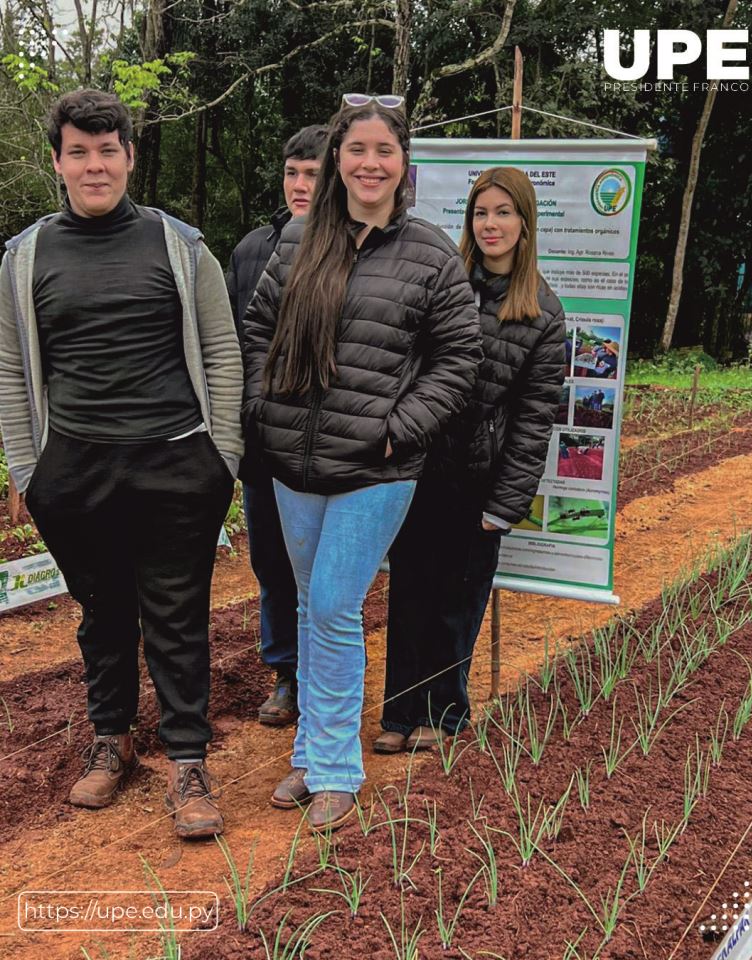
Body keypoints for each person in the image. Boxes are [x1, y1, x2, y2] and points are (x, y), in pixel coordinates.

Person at [0, 90, 243, 839]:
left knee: (177, 618)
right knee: (102, 615)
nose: (95, 165)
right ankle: (113, 743)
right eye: (80, 151)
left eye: (109, 150)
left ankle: (187, 764)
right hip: (73, 472)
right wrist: (25, 471)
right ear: (58, 161)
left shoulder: (181, 246)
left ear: (130, 157)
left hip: (176, 465)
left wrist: (221, 457)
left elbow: (222, 350)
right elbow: (11, 367)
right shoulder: (24, 257)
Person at [240, 94, 482, 832]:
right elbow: (258, 327)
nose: (369, 163)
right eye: (357, 150)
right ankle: (311, 754)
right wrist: (265, 408)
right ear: (339, 159)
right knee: (312, 605)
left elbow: (458, 357)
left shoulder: (430, 253)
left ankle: (339, 770)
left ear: (404, 164)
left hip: (377, 471)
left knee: (335, 607)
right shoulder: (299, 242)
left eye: (384, 151)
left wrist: (397, 430)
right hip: (294, 466)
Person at [378, 166, 566, 754]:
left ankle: (445, 714)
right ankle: (398, 713)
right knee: (409, 592)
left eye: (504, 213)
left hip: (478, 483)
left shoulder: (542, 314)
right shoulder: (445, 283)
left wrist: (504, 505)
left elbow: (535, 422)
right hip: (419, 469)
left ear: (525, 223)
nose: (491, 225)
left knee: (457, 603)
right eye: (481, 213)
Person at [226, 125, 328, 728]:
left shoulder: (357, 249)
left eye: (312, 174)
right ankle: (286, 673)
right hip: (264, 443)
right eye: (292, 172)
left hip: (330, 446)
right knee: (272, 561)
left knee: (323, 569)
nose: (299, 185)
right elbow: (235, 346)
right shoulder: (249, 251)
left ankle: (323, 675)